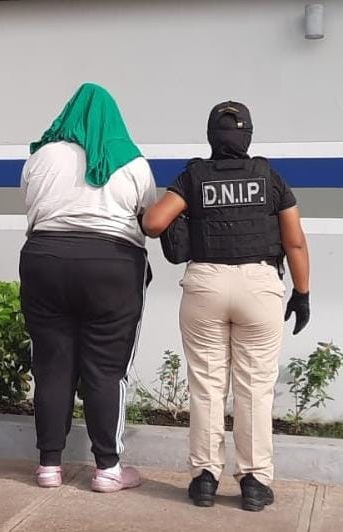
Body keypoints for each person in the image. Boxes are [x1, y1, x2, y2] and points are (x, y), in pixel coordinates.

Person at [142, 101, 310, 511]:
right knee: (255, 387)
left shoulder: (193, 176)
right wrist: (302, 293)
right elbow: (294, 242)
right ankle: (254, 481)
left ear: (210, 137)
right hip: (259, 285)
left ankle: (204, 478)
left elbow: (154, 223)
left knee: (207, 384)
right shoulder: (269, 178)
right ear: (248, 136)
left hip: (206, 286)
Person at [19, 83, 156, 492]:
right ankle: (108, 469)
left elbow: (30, 203)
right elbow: (148, 216)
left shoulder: (41, 155)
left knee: (51, 365)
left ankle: (48, 466)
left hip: (45, 261)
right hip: (112, 266)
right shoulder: (132, 161)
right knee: (107, 368)